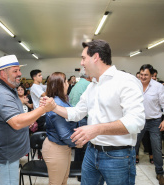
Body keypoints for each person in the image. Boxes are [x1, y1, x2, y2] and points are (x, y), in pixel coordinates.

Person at [41, 40, 145, 185]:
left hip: (118, 155)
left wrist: (97, 129)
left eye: (83, 58)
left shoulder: (125, 81)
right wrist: (53, 107)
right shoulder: (93, 86)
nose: (81, 63)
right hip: (92, 151)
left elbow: (136, 121)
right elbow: (77, 112)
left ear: (96, 57)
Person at [0, 55, 55, 185]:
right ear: (3, 74)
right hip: (7, 154)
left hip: (8, 151)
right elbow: (16, 122)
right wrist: (43, 109)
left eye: (19, 70)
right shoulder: (2, 94)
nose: (19, 74)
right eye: (15, 71)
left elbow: (16, 116)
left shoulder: (9, 89)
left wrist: (28, 119)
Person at [42, 72, 80, 185]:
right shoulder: (56, 104)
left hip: (63, 146)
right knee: (56, 182)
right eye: (65, 81)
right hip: (56, 148)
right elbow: (63, 133)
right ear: (60, 84)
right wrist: (78, 142)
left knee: (63, 181)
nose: (68, 84)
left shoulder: (62, 100)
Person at [135, 64, 164, 184]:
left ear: (152, 75)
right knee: (133, 145)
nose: (143, 77)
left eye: (146, 75)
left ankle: (160, 172)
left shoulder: (158, 87)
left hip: (154, 121)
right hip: (139, 120)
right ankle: (129, 167)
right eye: (141, 74)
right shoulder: (135, 85)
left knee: (156, 147)